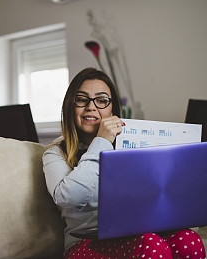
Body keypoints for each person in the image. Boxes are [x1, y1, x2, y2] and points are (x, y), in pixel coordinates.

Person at [42, 67, 206, 259]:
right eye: (81, 99)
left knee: (188, 240)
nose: (91, 107)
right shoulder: (55, 153)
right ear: (71, 105)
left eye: (101, 100)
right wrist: (101, 142)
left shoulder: (130, 146)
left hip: (136, 235)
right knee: (149, 244)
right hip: (85, 245)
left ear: (113, 109)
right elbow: (70, 197)